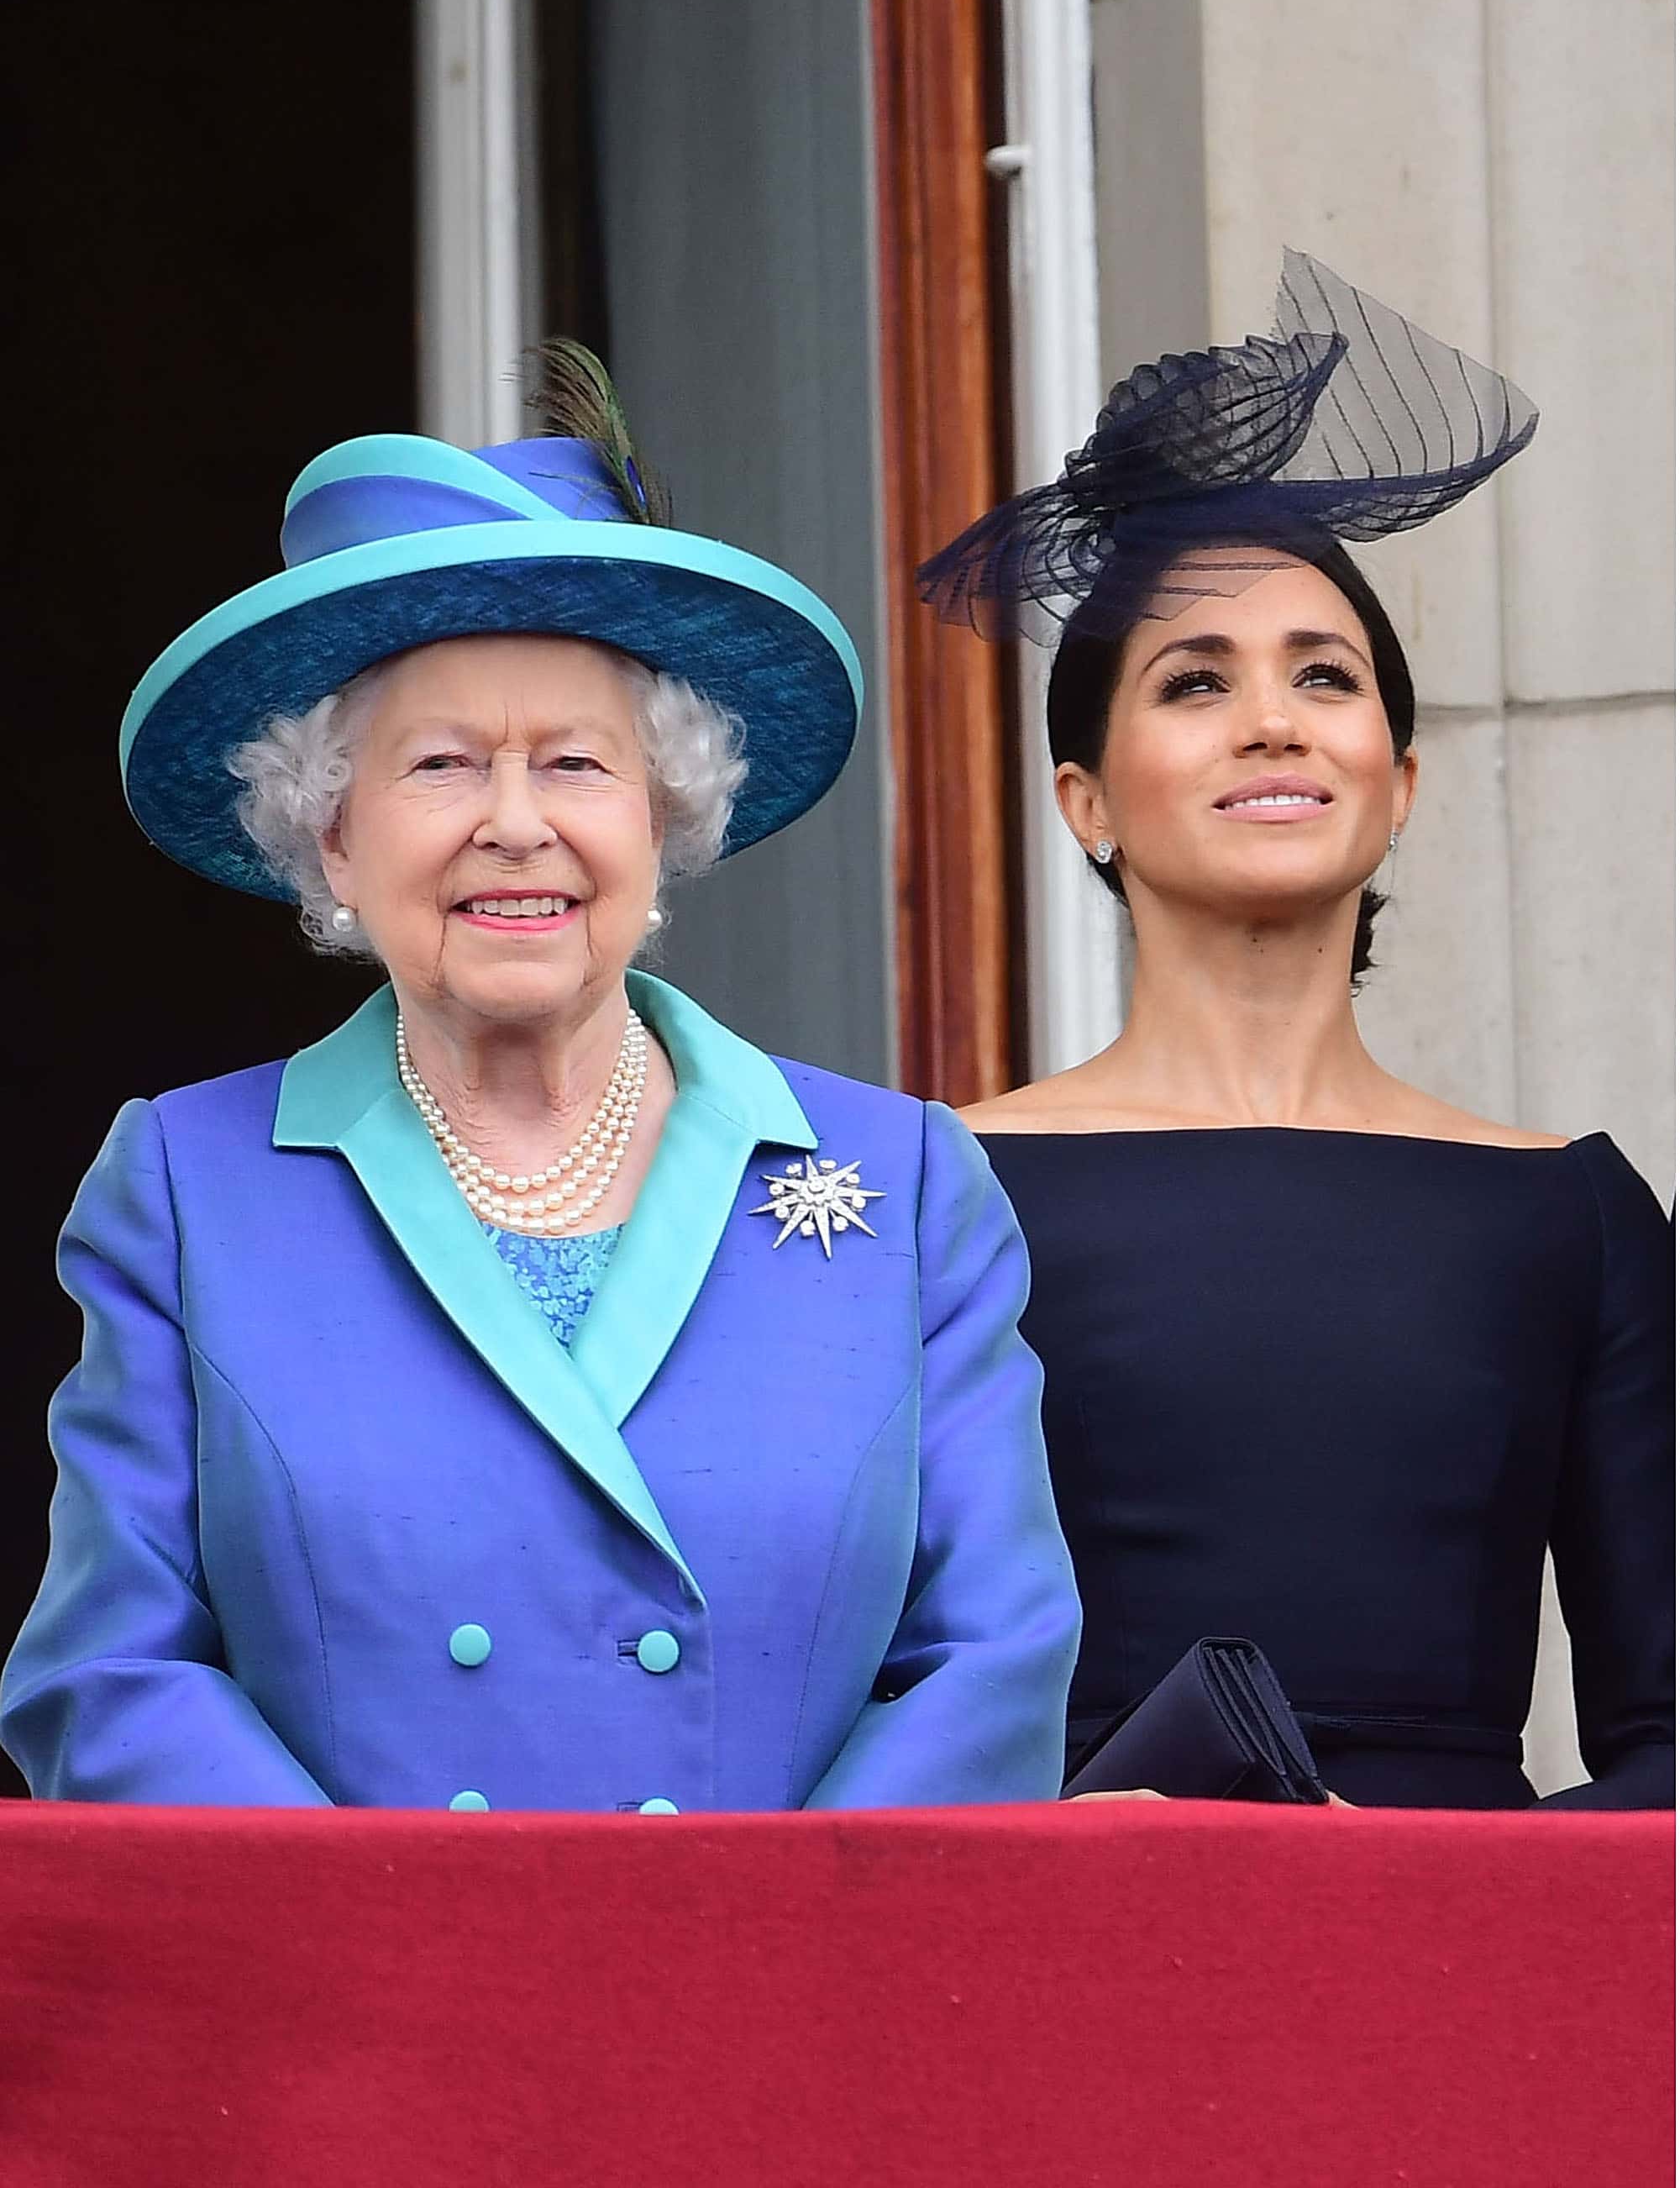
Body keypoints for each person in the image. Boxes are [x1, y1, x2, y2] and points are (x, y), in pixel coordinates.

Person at [3, 345, 1079, 1812]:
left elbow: (995, 1658)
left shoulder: (905, 1180)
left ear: (665, 821)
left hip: (776, 2005)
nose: (516, 827)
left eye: (577, 765)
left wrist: (775, 1952)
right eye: (440, 767)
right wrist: (392, 1952)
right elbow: (108, 1675)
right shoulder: (189, 1186)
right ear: (332, 842)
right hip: (363, 2009)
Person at [919, 253, 1674, 1811]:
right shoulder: (935, 1189)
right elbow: (865, 1683)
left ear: (1397, 781)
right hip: (1060, 1955)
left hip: (1469, 1982)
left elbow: (1669, 1742)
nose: (1274, 719)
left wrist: (1444, 1909)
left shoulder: (1574, 1212)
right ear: (1088, 802)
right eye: (1197, 682)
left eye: (1323, 677)